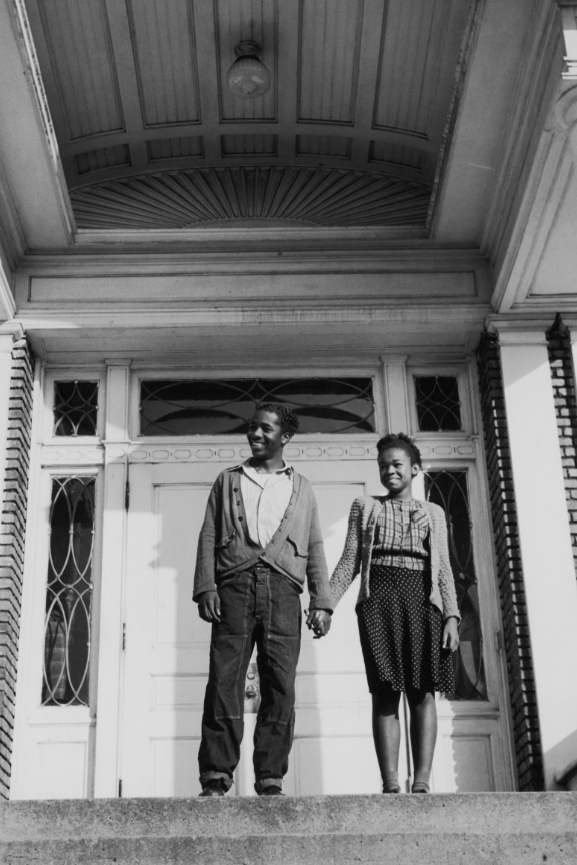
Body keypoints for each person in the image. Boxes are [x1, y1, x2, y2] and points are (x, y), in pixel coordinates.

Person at [193, 403, 333, 797]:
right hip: (233, 588)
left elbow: (315, 543)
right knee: (224, 681)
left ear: (284, 437)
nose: (255, 434)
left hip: (284, 590)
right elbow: (208, 534)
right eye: (252, 427)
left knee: (280, 686)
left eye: (265, 429)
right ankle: (216, 776)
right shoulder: (228, 480)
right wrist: (206, 585)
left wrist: (322, 600)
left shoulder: (301, 487)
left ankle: (270, 776)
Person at [330, 432, 460, 794]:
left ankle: (421, 781)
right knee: (385, 690)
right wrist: (324, 603)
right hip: (379, 601)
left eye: (397, 464)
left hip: (422, 600)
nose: (389, 471)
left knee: (422, 691)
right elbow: (349, 561)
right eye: (383, 466)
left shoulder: (433, 513)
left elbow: (444, 569)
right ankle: (389, 782)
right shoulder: (365, 506)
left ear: (415, 469)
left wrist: (452, 616)